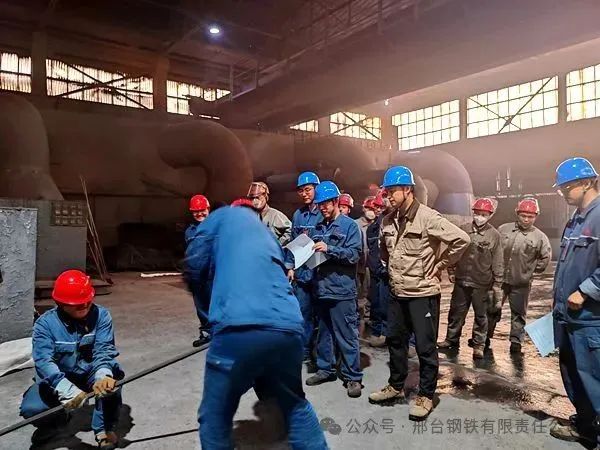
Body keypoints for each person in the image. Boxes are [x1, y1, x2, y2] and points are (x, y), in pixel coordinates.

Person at [185, 205, 328, 450]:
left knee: (215, 416)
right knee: (294, 403)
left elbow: (194, 268)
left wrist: (214, 314)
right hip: (288, 327)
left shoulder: (218, 219)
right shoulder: (266, 234)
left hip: (237, 329)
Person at [368, 166, 470, 421]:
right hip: (397, 292)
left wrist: (441, 263)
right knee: (396, 342)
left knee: (425, 347)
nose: (388, 196)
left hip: (422, 293)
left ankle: (426, 395)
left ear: (408, 190)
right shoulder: (388, 220)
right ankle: (396, 385)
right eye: (387, 192)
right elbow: (384, 250)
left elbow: (461, 239)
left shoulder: (428, 217)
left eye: (393, 191)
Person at [20, 270, 123, 449]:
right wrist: (64, 388)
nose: (85, 305)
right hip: (59, 377)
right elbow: (44, 361)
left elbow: (104, 350)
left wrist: (103, 374)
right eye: (78, 304)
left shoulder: (102, 316)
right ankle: (56, 422)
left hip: (90, 373)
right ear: (61, 303)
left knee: (111, 384)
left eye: (87, 301)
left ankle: (104, 429)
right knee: (32, 408)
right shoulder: (45, 324)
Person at [548, 157, 600, 448]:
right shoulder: (576, 219)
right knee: (573, 374)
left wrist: (586, 291)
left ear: (587, 182)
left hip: (590, 318)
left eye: (567, 187)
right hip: (568, 315)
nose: (563, 193)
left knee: (594, 378)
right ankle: (585, 426)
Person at [304, 181, 363, 398]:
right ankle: (325, 369)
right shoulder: (319, 226)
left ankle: (353, 376)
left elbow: (354, 255)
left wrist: (330, 248)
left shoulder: (350, 226)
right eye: (320, 205)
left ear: (336, 201)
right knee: (324, 334)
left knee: (346, 335)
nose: (323, 208)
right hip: (322, 289)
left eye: (326, 204)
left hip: (342, 291)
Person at [438, 198, 503, 359]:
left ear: (490, 215)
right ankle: (451, 339)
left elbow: (498, 260)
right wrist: (451, 270)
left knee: (481, 315)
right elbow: (453, 251)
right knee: (456, 312)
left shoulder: (494, 235)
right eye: (477, 213)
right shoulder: (463, 230)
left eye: (484, 214)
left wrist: (497, 283)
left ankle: (479, 344)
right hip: (461, 279)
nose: (480, 217)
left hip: (482, 282)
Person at [487, 197, 552, 354]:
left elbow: (545, 258)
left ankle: (516, 342)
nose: (526, 219)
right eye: (523, 215)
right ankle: (485, 337)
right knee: (491, 308)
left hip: (521, 282)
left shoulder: (540, 237)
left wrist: (529, 271)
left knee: (518, 313)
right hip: (499, 280)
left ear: (536, 216)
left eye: (530, 216)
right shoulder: (503, 229)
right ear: (517, 213)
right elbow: (492, 248)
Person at [285, 172, 323, 366]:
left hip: (321, 273)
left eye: (307, 189)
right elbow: (294, 242)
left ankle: (323, 354)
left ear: (316, 188)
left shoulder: (324, 212)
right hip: (302, 273)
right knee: (303, 313)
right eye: (301, 191)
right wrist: (290, 266)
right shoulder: (298, 215)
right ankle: (305, 350)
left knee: (322, 316)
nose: (304, 194)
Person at [184, 194, 213, 348]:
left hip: (213, 275)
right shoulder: (190, 231)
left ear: (208, 209)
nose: (200, 213)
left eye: (202, 210)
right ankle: (207, 333)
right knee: (201, 306)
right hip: (196, 275)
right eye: (196, 211)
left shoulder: (216, 228)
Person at [365, 192, 390, 347]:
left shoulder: (389, 225)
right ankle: (377, 331)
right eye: (377, 207)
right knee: (376, 304)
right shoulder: (371, 229)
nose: (378, 210)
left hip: (387, 272)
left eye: (381, 207)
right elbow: (372, 250)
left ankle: (386, 333)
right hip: (375, 271)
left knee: (386, 305)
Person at [247, 181, 292, 245]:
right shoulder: (252, 216)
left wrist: (278, 244)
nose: (255, 201)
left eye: (257, 197)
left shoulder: (275, 215)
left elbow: (290, 229)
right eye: (252, 198)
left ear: (265, 196)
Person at [355, 196, 377, 323]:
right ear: (363, 208)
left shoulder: (377, 224)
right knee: (359, 290)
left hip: (372, 264)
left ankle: (368, 316)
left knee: (370, 291)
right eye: (369, 208)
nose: (371, 211)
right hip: (359, 264)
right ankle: (359, 316)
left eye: (373, 209)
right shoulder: (356, 224)